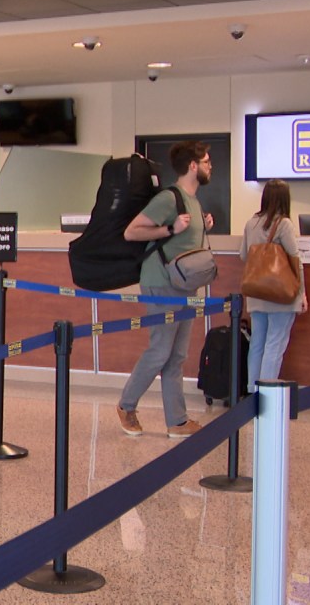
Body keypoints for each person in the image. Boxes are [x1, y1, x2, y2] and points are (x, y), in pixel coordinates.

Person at [116, 141, 213, 439]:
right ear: (193, 166)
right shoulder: (170, 198)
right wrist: (170, 229)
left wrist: (203, 226)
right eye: (207, 161)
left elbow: (185, 243)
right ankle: (126, 405)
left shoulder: (193, 201)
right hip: (161, 282)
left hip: (184, 285)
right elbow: (132, 231)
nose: (211, 167)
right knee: (160, 350)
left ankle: (177, 421)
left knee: (177, 355)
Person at [240, 179, 307, 392]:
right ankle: (267, 392)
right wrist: (302, 292)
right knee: (275, 344)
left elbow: (243, 255)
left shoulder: (251, 223)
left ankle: (253, 389)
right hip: (280, 294)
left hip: (256, 292)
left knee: (257, 343)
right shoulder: (284, 224)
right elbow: (295, 259)